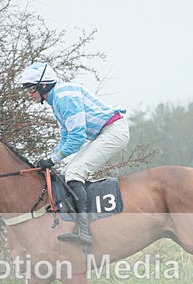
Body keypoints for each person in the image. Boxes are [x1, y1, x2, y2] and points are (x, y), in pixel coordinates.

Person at [16, 62, 129, 245]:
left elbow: (77, 138)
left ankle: (85, 232)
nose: (29, 94)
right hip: (105, 131)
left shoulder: (63, 98)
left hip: (113, 131)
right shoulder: (56, 99)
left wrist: (52, 159)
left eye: (31, 89)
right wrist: (51, 158)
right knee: (70, 171)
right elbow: (66, 136)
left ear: (43, 85)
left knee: (74, 172)